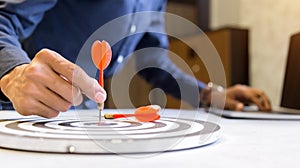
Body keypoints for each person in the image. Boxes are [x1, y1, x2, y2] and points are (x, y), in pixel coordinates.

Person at [0, 0, 271, 118]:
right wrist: (14, 73)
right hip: (27, 115)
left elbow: (151, 58)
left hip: (84, 119)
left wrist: (208, 94)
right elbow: (4, 22)